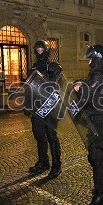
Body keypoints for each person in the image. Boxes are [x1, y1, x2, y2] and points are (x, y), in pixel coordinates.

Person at [74, 44, 103, 205]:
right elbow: (94, 87)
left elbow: (88, 96)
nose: (89, 62)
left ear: (97, 59)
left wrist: (79, 90)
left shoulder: (99, 74)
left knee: (97, 159)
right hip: (102, 121)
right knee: (101, 158)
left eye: (91, 59)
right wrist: (82, 83)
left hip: (97, 123)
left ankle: (100, 195)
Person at [27, 40, 63, 179]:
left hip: (50, 108)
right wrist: (27, 104)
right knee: (39, 136)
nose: (40, 52)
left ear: (47, 51)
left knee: (52, 137)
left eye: (42, 50)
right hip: (36, 108)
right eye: (38, 50)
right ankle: (43, 162)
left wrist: (52, 77)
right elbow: (29, 87)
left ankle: (56, 165)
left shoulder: (54, 67)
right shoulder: (33, 68)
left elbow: (61, 86)